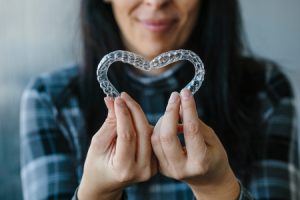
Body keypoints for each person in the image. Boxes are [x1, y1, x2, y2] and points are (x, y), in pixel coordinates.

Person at [20, 0, 299, 199]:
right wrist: (97, 193)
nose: (156, 2)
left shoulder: (265, 90)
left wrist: (218, 189)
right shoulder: (51, 101)